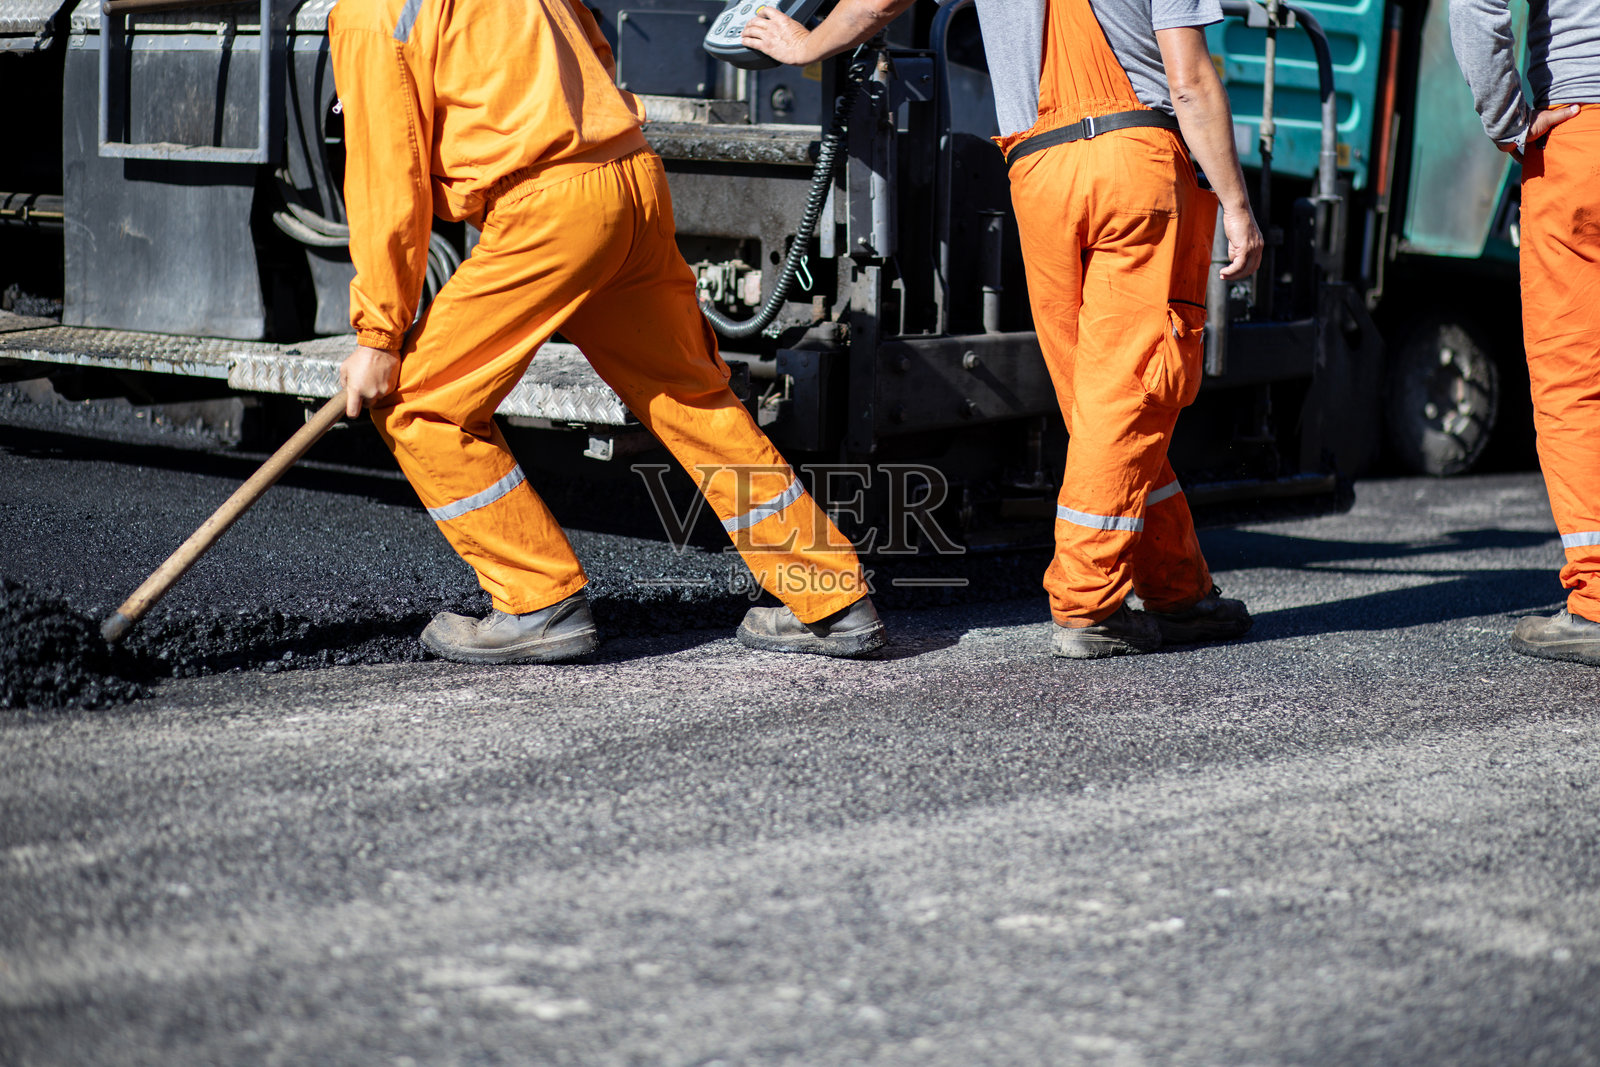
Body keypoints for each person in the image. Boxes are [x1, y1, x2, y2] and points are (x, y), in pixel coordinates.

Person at [328, 0, 885, 663]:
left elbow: (388, 182)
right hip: (628, 178)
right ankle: (829, 595)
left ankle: (537, 597)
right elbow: (597, 47)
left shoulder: (368, 12)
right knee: (692, 398)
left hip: (547, 208)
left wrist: (378, 336)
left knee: (420, 403)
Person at [743, 0, 1262, 657]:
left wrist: (809, 42)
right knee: (1126, 394)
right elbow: (1188, 81)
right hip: (1136, 163)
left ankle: (1177, 589)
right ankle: (1087, 603)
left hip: (1039, 173)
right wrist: (1239, 208)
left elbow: (878, 4)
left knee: (1100, 403)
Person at [1449, 0, 1600, 667]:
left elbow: (1475, 8)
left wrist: (1510, 123)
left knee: (1573, 381)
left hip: (1581, 135)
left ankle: (1597, 598)